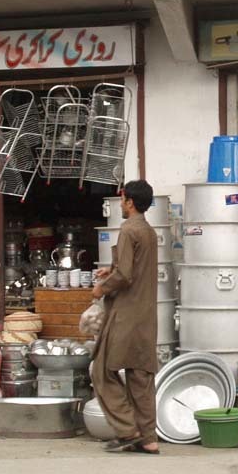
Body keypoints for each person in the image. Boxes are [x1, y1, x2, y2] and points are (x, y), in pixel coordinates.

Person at [91, 179, 159, 454]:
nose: (121, 204)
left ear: (129, 202)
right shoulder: (149, 231)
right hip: (146, 315)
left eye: (122, 199)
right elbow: (133, 266)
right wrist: (112, 268)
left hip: (126, 314)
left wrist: (101, 288)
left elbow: (126, 275)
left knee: (101, 370)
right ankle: (149, 438)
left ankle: (127, 430)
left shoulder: (128, 229)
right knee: (140, 377)